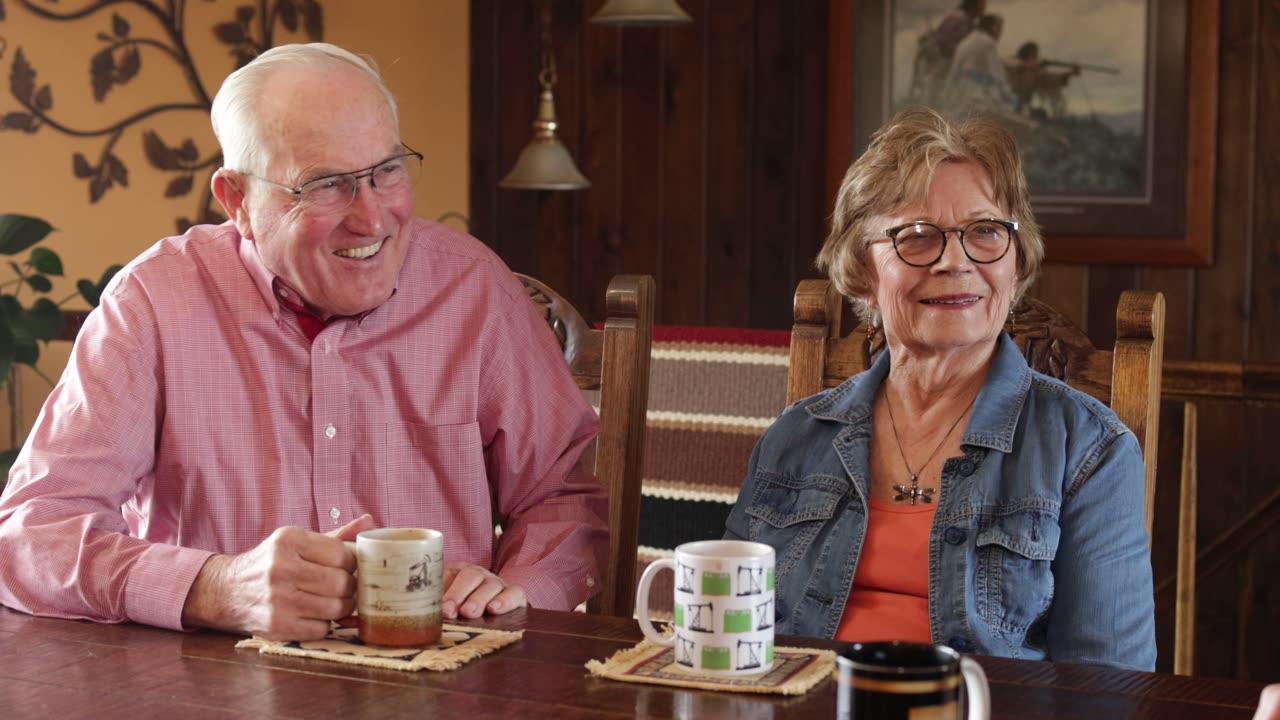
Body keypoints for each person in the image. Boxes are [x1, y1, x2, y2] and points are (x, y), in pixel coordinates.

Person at [0, 43, 607, 640]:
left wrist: (515, 594)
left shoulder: (474, 290)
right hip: (205, 694)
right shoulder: (154, 303)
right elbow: (30, 535)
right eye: (325, 185)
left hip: (439, 692)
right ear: (237, 200)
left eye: (386, 171)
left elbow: (563, 498)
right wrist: (216, 585)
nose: (372, 220)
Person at [724, 107, 1155, 670]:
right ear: (863, 269)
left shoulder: (1089, 451)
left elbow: (1109, 689)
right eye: (918, 237)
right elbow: (726, 631)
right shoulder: (795, 436)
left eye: (984, 231)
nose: (956, 261)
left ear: (1017, 260)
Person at [910, 0, 987, 104]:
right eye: (982, 3)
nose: (985, 6)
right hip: (941, 67)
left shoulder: (969, 22)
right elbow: (943, 39)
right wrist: (958, 56)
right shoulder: (958, 18)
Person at [944, 14, 1016, 113]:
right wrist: (1015, 102)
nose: (1000, 33)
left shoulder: (965, 41)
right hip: (974, 104)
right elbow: (999, 79)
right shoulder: (988, 43)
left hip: (956, 101)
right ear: (994, 28)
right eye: (1000, 29)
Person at [1006, 41, 1080, 120]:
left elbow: (1050, 78)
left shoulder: (1034, 72)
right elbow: (1013, 64)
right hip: (1007, 103)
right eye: (1033, 55)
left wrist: (1070, 73)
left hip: (1021, 108)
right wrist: (1032, 65)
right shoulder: (1012, 62)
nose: (1036, 57)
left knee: (1041, 114)